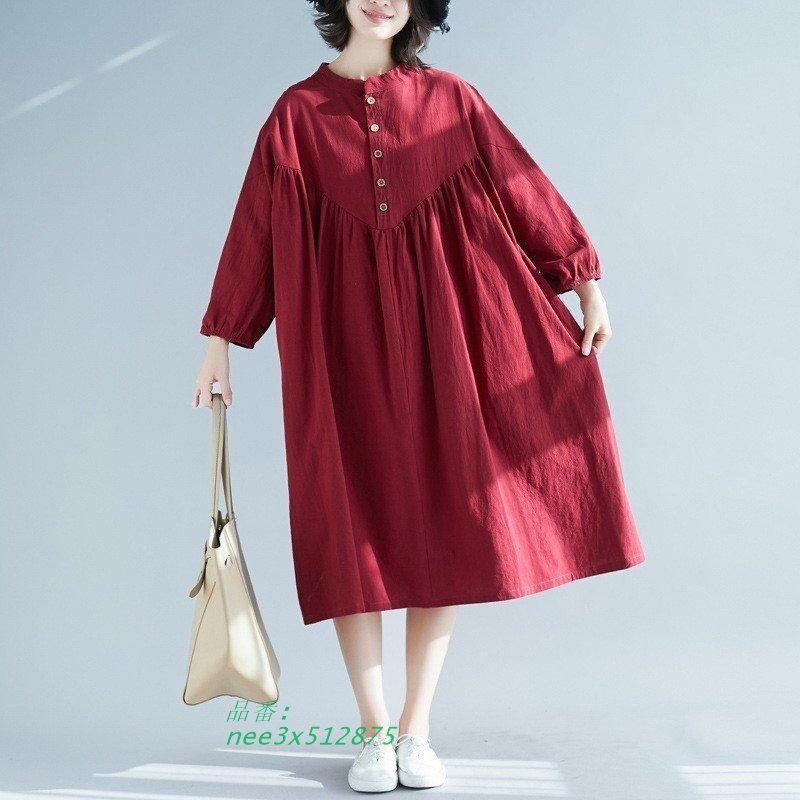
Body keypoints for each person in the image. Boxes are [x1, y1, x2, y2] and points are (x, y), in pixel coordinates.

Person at [192, 0, 645, 792]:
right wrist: (220, 339)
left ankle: (415, 729)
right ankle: (372, 732)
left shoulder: (453, 101)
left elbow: (520, 185)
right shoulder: (297, 116)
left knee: (445, 525)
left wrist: (583, 282)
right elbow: (256, 226)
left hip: (447, 342)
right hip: (337, 348)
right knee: (350, 529)